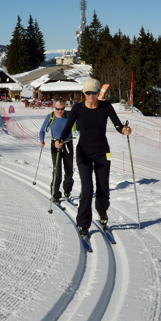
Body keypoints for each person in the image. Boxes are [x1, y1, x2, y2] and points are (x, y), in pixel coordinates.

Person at [56, 78, 131, 238]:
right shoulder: (78, 108)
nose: (90, 96)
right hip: (84, 153)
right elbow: (68, 127)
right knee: (87, 189)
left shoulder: (106, 106)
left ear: (98, 93)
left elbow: (118, 125)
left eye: (93, 93)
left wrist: (124, 130)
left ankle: (102, 212)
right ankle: (83, 224)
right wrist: (60, 139)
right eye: (87, 93)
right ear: (84, 93)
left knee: (103, 187)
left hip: (103, 153)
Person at [39, 99, 75, 205]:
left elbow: (79, 128)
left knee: (69, 171)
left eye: (62, 109)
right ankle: (55, 194)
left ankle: (67, 191)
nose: (60, 111)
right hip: (55, 145)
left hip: (67, 145)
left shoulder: (69, 116)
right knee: (57, 171)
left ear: (65, 107)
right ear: (54, 107)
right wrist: (41, 140)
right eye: (57, 109)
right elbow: (42, 130)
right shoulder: (50, 117)